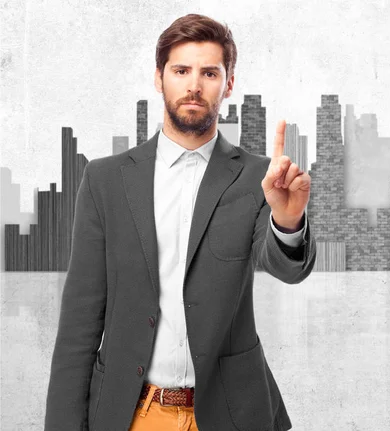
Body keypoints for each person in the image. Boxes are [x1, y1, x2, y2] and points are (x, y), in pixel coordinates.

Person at [44, 13, 316, 431]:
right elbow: (80, 322)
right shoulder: (106, 180)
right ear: (159, 78)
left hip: (231, 413)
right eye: (181, 70)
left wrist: (288, 216)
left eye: (209, 72)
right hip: (132, 414)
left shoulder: (258, 179)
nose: (193, 85)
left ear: (228, 83)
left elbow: (286, 268)